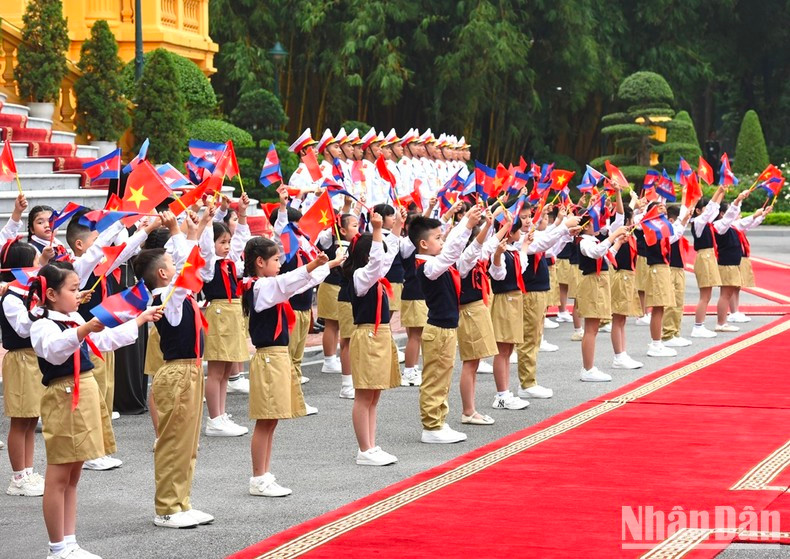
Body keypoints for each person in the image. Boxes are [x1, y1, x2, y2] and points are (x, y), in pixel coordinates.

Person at [29, 262, 160, 557]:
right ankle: (57, 547)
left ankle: (71, 542)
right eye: (73, 290)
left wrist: (139, 320)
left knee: (74, 474)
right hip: (64, 394)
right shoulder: (42, 324)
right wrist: (84, 328)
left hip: (83, 389)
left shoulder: (73, 317)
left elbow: (102, 340)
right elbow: (53, 349)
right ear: (50, 294)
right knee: (59, 474)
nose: (78, 296)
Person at [134, 211, 214, 529]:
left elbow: (187, 268)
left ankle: (182, 501)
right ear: (164, 273)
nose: (176, 264)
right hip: (178, 372)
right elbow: (188, 269)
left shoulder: (172, 292)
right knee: (173, 442)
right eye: (171, 261)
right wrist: (180, 231)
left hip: (189, 370)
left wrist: (193, 233)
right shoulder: (167, 295)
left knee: (188, 442)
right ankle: (166, 506)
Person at [241, 237, 341, 495]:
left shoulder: (268, 285)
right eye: (275, 260)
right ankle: (258, 477)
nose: (279, 264)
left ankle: (264, 472)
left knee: (271, 420)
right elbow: (288, 281)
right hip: (269, 358)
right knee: (265, 420)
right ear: (260, 262)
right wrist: (311, 265)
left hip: (277, 356)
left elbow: (299, 284)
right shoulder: (260, 287)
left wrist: (328, 265)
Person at [410, 206, 482, 443]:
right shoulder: (428, 267)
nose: (443, 241)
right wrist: (466, 225)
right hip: (438, 329)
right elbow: (451, 252)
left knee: (443, 378)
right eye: (438, 238)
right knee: (435, 378)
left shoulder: (437, 263)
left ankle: (439, 420)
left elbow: (464, 256)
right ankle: (431, 426)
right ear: (423, 244)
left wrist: (483, 229)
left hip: (447, 329)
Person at [346, 210, 403, 465]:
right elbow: (378, 261)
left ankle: (371, 444)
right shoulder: (361, 277)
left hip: (379, 335)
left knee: (375, 395)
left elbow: (387, 256)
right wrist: (378, 230)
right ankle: (364, 449)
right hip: (367, 335)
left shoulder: (375, 276)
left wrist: (397, 227)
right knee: (364, 395)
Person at [202, 194, 252, 437]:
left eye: (227, 241)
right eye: (222, 241)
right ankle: (213, 418)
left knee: (224, 369)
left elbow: (242, 241)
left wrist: (241, 213)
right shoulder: (209, 264)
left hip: (232, 313)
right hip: (220, 312)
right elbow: (204, 248)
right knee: (215, 369)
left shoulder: (231, 263)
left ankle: (220, 414)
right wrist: (207, 219)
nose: (227, 246)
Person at [1, 240, 46, 497]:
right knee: (19, 420)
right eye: (35, 263)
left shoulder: (27, 294)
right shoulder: (11, 297)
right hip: (20, 359)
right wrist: (41, 308)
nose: (38, 267)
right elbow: (22, 328)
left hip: (34, 358)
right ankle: (17, 477)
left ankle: (27, 471)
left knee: (30, 418)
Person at [457, 207, 503, 425]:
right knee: (470, 362)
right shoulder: (464, 260)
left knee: (474, 363)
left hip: (477, 307)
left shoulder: (477, 255)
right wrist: (485, 226)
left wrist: (502, 224)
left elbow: (490, 243)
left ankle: (471, 409)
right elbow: (478, 245)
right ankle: (467, 410)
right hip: (469, 310)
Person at [577, 217, 628, 381]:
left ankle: (589, 367)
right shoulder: (583, 241)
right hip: (592, 282)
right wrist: (613, 236)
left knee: (594, 327)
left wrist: (618, 242)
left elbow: (606, 256)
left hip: (598, 282)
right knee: (590, 328)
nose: (598, 226)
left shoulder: (593, 241)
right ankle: (588, 368)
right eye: (594, 223)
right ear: (586, 227)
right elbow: (596, 252)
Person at [489, 216, 530, 411]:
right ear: (510, 232)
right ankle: (501, 394)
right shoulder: (499, 253)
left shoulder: (512, 252)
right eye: (518, 230)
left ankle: (505, 392)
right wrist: (497, 255)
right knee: (502, 349)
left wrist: (524, 248)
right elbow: (498, 274)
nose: (521, 234)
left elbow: (521, 267)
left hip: (514, 299)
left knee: (509, 348)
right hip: (505, 300)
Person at [608, 207, 644, 368]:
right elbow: (620, 214)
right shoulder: (618, 234)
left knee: (622, 319)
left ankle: (622, 353)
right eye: (632, 218)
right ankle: (618, 356)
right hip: (621, 276)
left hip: (628, 277)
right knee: (618, 318)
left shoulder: (630, 236)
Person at [689, 186, 726, 338]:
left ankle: (700, 325)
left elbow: (714, 209)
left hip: (709, 256)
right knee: (704, 295)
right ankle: (698, 327)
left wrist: (721, 194)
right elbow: (711, 209)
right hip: (704, 257)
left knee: (707, 295)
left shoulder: (705, 223)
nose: (708, 212)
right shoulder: (698, 222)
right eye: (704, 209)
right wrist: (717, 192)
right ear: (698, 211)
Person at [713, 191, 750, 332]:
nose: (734, 214)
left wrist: (760, 214)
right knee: (726, 294)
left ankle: (723, 322)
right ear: (722, 214)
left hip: (731, 263)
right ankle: (721, 323)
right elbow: (730, 216)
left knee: (728, 293)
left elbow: (748, 221)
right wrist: (737, 200)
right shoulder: (719, 226)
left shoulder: (731, 226)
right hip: (726, 264)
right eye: (729, 211)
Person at [729, 205, 771, 322]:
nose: (740, 216)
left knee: (737, 286)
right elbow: (744, 222)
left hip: (740, 257)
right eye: (738, 214)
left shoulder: (738, 228)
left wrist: (762, 215)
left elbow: (750, 224)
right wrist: (755, 215)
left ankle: (735, 311)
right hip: (733, 258)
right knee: (732, 286)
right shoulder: (730, 226)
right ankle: (733, 312)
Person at [661, 204, 693, 347]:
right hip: (671, 268)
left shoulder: (675, 229)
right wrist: (683, 220)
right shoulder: (667, 231)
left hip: (678, 268)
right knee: (671, 303)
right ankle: (668, 334)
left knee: (679, 302)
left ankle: (675, 332)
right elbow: (677, 230)